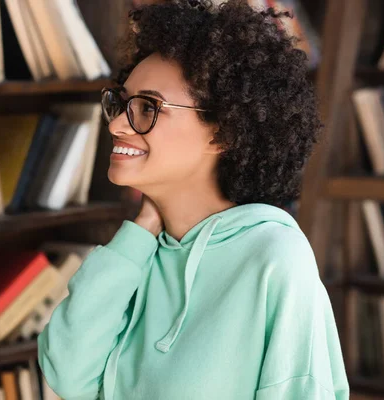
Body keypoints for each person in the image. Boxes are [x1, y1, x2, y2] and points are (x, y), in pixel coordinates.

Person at [38, 1, 349, 399]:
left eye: (148, 107)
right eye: (121, 102)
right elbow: (68, 375)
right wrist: (141, 231)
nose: (116, 123)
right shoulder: (137, 254)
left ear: (223, 133)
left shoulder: (274, 257)